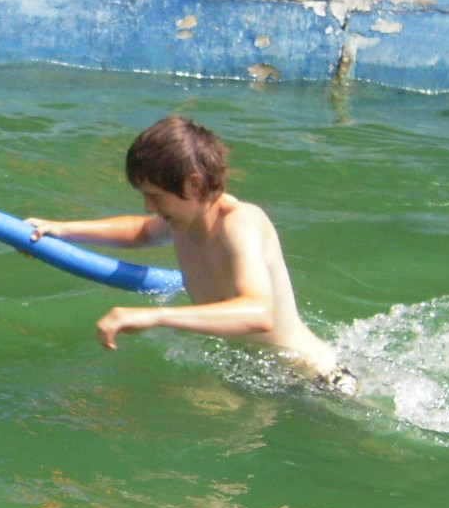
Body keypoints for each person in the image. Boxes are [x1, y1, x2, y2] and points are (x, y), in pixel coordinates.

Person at [25, 116, 358, 395]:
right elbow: (142, 232)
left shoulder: (239, 223)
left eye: (156, 196)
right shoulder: (184, 220)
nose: (149, 207)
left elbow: (259, 313)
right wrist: (62, 229)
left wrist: (155, 316)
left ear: (194, 185)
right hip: (259, 375)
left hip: (317, 380)